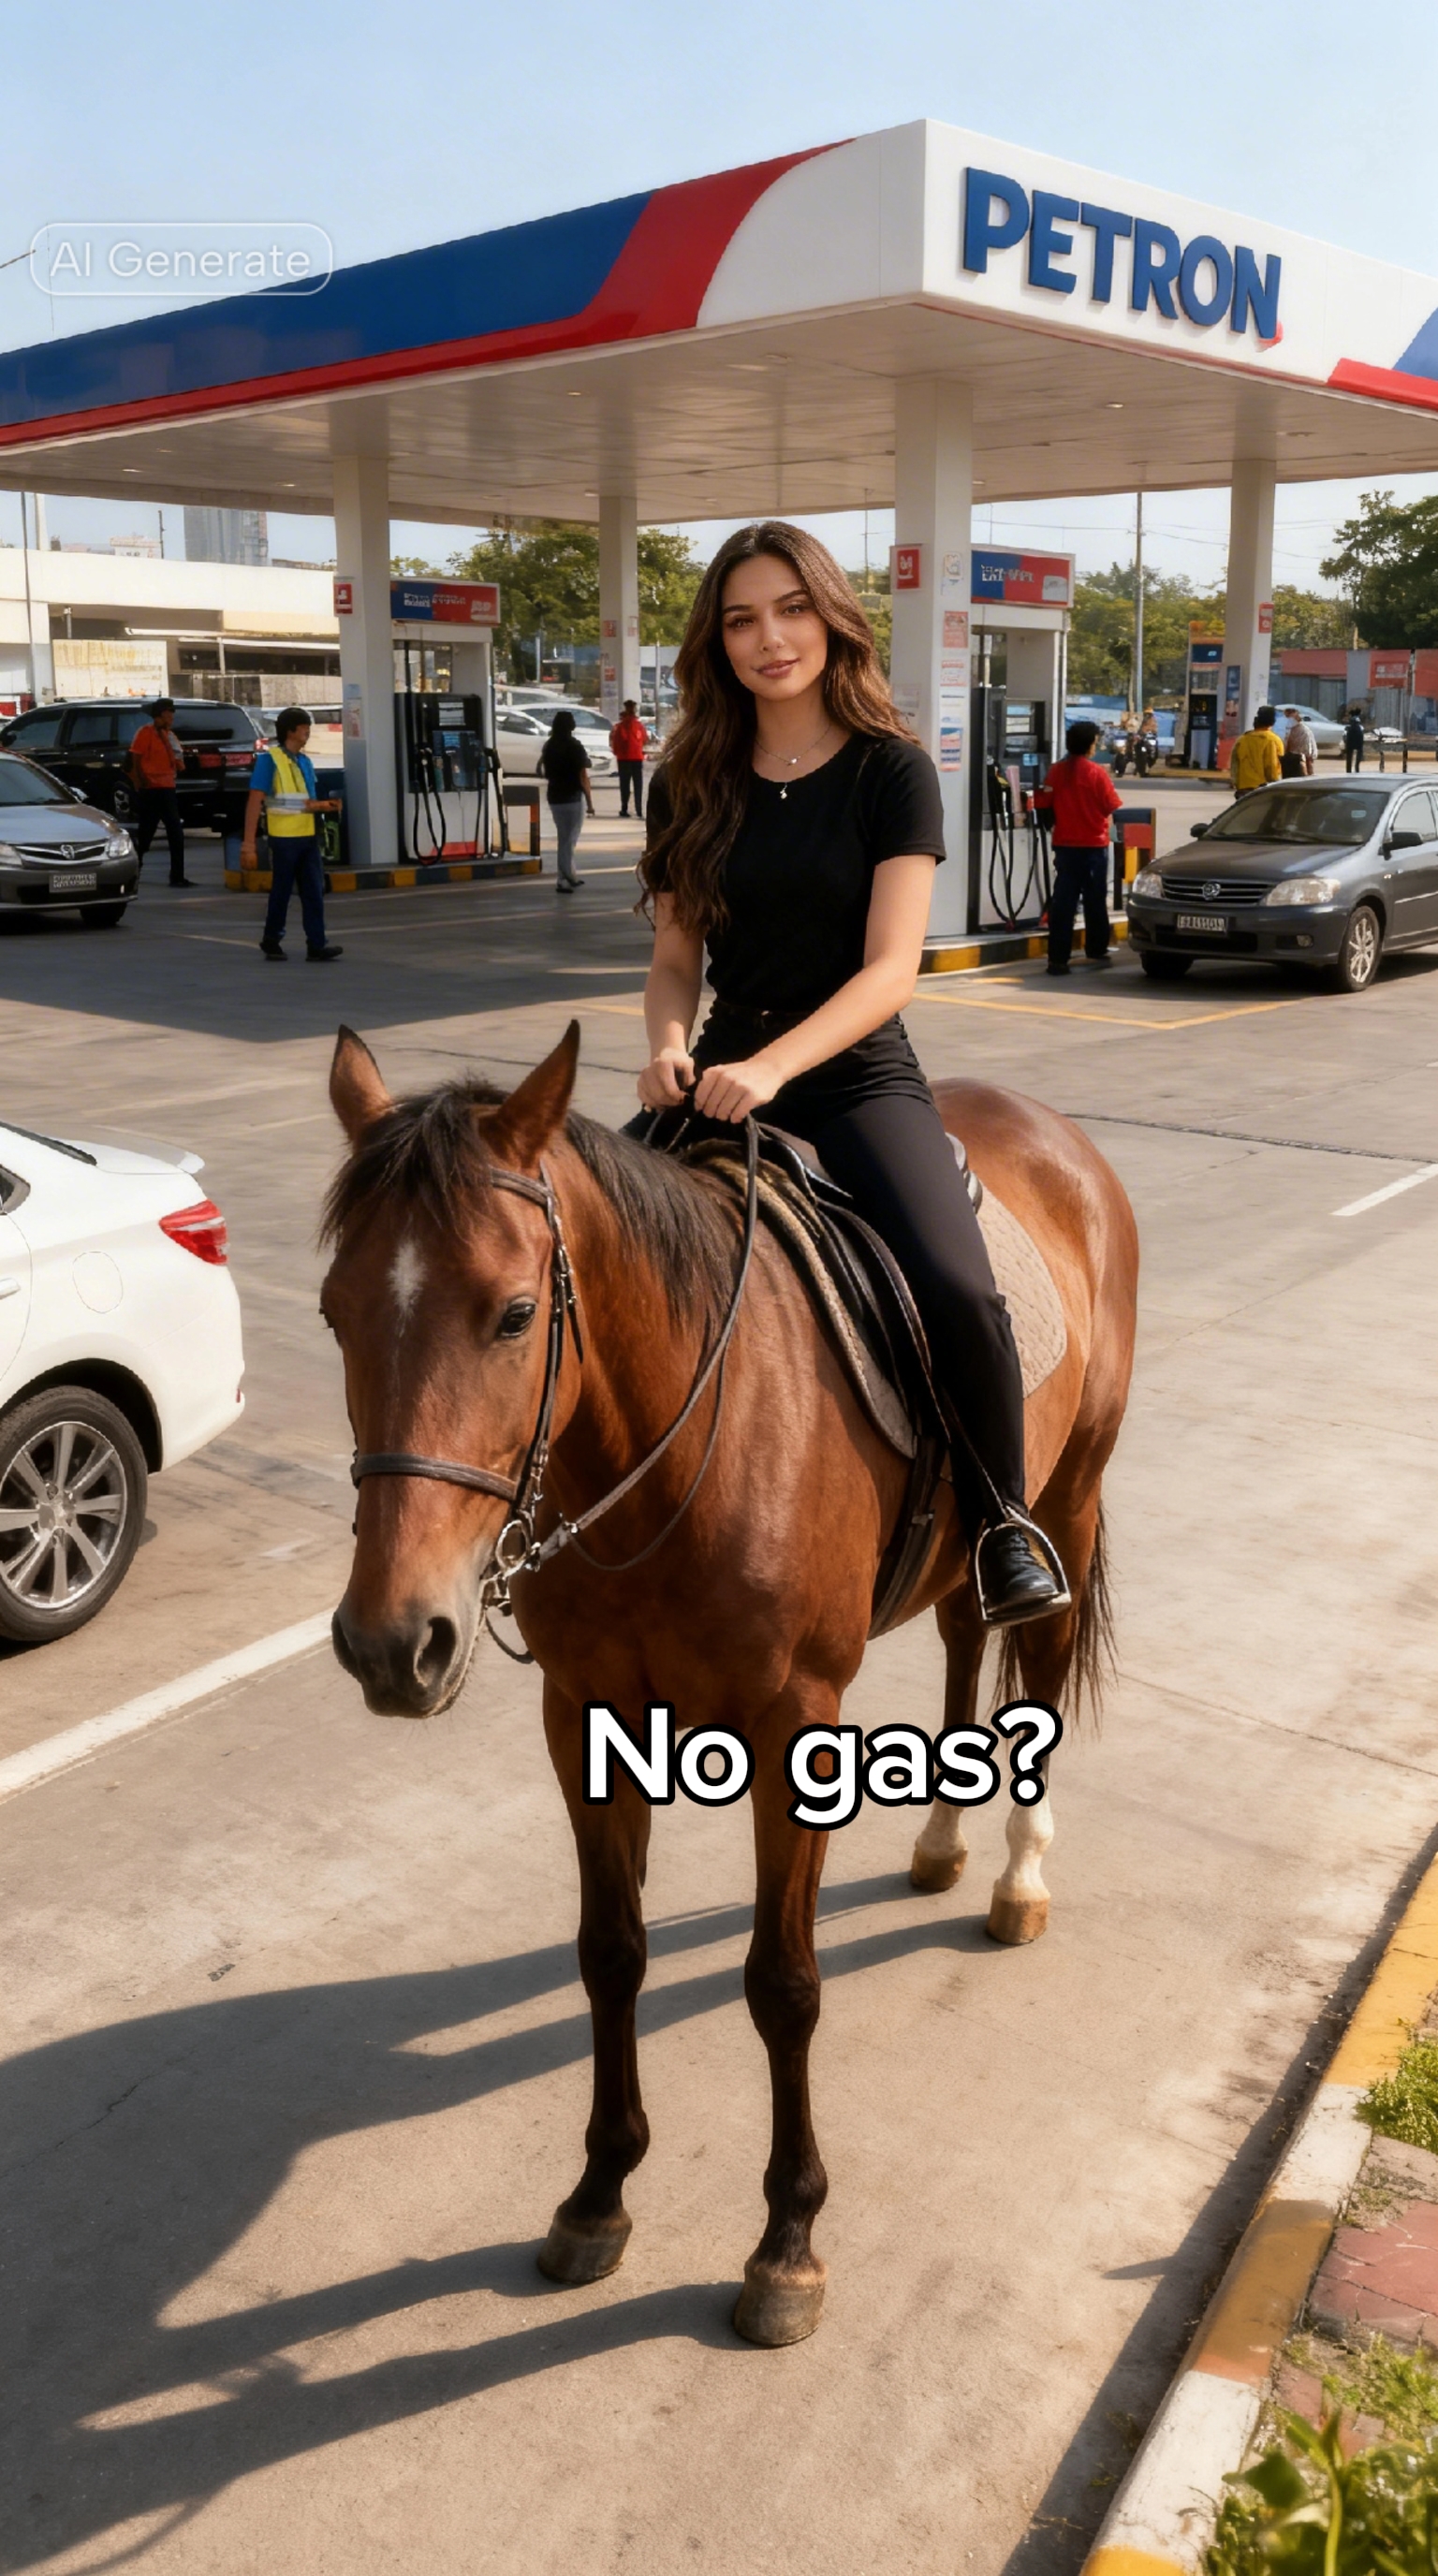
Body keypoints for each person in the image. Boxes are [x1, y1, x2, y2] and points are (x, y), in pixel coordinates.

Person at [636, 518, 1065, 1627]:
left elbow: (890, 972)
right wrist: (670, 1046)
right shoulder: (687, 780)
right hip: (719, 1073)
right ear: (717, 642)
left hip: (854, 1076)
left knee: (960, 1286)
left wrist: (774, 1066)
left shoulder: (891, 771)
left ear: (832, 620)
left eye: (791, 610)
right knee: (577, 1252)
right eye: (742, 620)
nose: (769, 639)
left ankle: (1002, 1522)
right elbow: (677, 956)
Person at [241, 707, 344, 962]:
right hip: (284, 839)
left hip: (308, 837)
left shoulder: (304, 762)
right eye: (303, 727)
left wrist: (324, 806)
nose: (308, 731)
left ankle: (317, 945)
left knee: (314, 892)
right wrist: (248, 844)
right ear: (290, 731)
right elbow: (255, 801)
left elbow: (306, 802)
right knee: (282, 891)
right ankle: (272, 940)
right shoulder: (270, 760)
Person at [1032, 722, 1123, 977]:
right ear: (1090, 744)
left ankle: (1058, 959)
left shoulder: (1056, 772)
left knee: (1063, 903)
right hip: (1093, 847)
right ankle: (1096, 949)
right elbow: (1110, 805)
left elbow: (1043, 803)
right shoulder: (1097, 773)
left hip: (1065, 846)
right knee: (1095, 901)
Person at [128, 697, 195, 886]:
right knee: (145, 835)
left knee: (176, 833)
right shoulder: (145, 733)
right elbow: (135, 758)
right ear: (160, 714)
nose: (172, 716)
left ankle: (177, 877)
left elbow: (176, 758)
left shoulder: (168, 735)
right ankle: (132, 871)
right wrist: (141, 782)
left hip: (167, 788)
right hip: (151, 790)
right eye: (169, 713)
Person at [536, 708, 594, 891]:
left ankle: (569, 874)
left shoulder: (549, 745)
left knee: (565, 838)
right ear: (572, 726)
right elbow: (583, 776)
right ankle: (565, 877)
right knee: (569, 839)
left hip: (554, 796)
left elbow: (540, 770)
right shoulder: (575, 746)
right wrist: (590, 803)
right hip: (572, 797)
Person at [1229, 705, 1284, 795]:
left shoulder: (1242, 740)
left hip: (1243, 788)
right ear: (1273, 722)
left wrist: (1236, 783)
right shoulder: (1273, 740)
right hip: (1263, 790)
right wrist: (1275, 786)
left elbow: (1234, 764)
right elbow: (1271, 767)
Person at [610, 698, 649, 818]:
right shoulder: (639, 725)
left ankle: (624, 808)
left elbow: (616, 742)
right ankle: (639, 809)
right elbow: (645, 740)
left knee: (624, 785)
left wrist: (617, 753)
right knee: (638, 784)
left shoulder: (620, 726)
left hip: (623, 759)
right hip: (637, 757)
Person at [1281, 708, 1316, 778]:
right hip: (1287, 762)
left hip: (1298, 763)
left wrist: (1310, 773)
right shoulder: (1288, 729)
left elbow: (1308, 755)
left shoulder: (1303, 730)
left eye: (1289, 716)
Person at [1344, 709, 1366, 773]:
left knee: (1349, 755)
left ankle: (1349, 770)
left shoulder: (1349, 724)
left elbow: (1346, 733)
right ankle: (1357, 768)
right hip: (1358, 738)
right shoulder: (1360, 724)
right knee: (1359, 752)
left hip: (1351, 738)